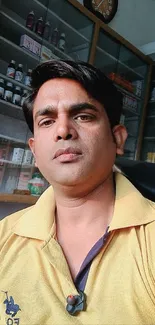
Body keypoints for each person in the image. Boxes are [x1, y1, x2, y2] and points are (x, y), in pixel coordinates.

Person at [0, 60, 155, 325]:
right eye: (47, 121)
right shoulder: (4, 236)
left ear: (117, 138)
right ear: (35, 150)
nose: (62, 131)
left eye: (83, 116)